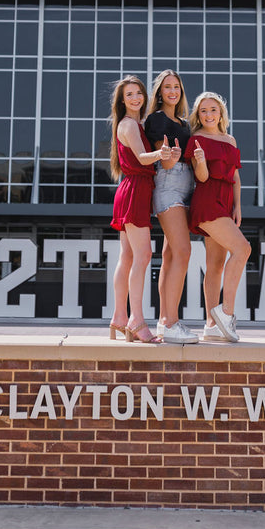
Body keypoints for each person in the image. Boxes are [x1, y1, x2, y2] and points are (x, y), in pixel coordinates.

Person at [108, 75, 171, 343]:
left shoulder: (133, 124)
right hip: (135, 190)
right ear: (122, 101)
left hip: (132, 189)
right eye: (129, 94)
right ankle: (136, 319)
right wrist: (161, 153)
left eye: (138, 93)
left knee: (128, 257)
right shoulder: (129, 125)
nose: (135, 98)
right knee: (143, 255)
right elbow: (142, 157)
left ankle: (119, 317)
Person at [185, 92, 251, 343]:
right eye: (203, 110)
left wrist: (238, 207)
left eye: (213, 109)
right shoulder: (197, 139)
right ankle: (226, 313)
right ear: (198, 115)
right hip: (207, 201)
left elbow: (235, 176)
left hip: (226, 204)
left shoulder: (230, 140)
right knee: (243, 249)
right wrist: (200, 161)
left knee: (214, 265)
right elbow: (201, 178)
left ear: (221, 113)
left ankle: (211, 325)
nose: (209, 114)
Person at [144, 69, 199, 344]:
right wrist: (170, 156)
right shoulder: (156, 119)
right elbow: (163, 160)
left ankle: (165, 321)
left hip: (187, 187)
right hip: (169, 185)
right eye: (167, 87)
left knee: (169, 256)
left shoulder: (186, 124)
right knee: (183, 251)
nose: (173, 91)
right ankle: (173, 322)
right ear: (160, 92)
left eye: (176, 86)